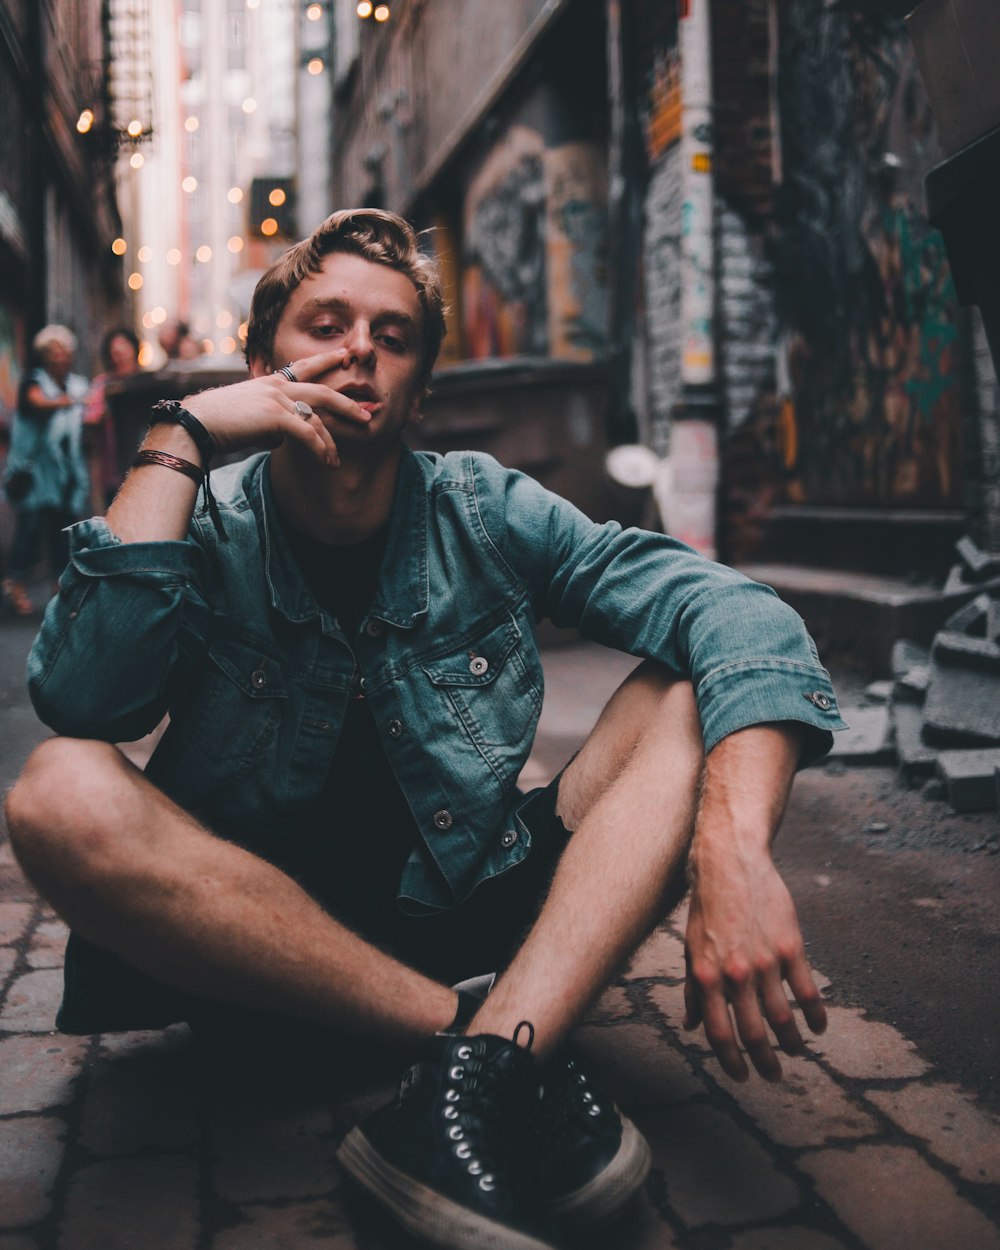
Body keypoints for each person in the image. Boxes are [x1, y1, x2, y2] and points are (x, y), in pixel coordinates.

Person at [6, 210, 843, 1250]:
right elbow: (85, 695)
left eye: (393, 335)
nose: (360, 348)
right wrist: (182, 431)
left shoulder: (480, 507)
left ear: (418, 389)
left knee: (686, 692)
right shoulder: (205, 523)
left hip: (481, 914)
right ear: (264, 362)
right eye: (326, 322)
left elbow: (740, 613)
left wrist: (732, 843)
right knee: (58, 787)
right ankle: (486, 1054)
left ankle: (468, 1073)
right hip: (269, 950)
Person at [2, 325, 89, 617]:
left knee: (62, 531)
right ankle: (15, 584)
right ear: (44, 355)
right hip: (36, 475)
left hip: (66, 473)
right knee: (28, 530)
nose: (60, 356)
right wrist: (73, 401)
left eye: (64, 350)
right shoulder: (33, 383)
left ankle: (59, 586)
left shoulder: (78, 385)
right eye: (54, 350)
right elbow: (37, 403)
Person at [82, 327, 142, 514]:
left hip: (145, 464)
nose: (120, 356)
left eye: (124, 350)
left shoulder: (147, 381)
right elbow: (90, 417)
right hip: (112, 467)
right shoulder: (103, 385)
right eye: (115, 353)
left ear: (134, 350)